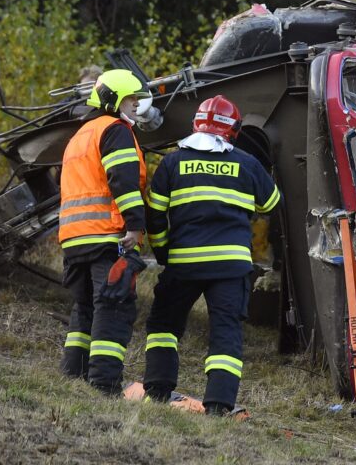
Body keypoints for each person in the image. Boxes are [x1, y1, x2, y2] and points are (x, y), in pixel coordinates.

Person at [142, 95, 281, 416]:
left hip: (183, 262)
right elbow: (273, 204)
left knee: (164, 325)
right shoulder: (247, 163)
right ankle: (219, 406)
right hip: (230, 267)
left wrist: (164, 252)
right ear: (233, 130)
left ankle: (158, 391)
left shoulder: (172, 163)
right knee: (225, 332)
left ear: (196, 125)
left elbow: (155, 215)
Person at [58, 69, 149, 394]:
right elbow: (123, 182)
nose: (137, 104)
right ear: (114, 101)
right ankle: (104, 384)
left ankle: (73, 377)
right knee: (113, 306)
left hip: (74, 238)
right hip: (107, 234)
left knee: (84, 308)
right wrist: (136, 225)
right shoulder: (116, 131)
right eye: (131, 98)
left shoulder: (82, 134)